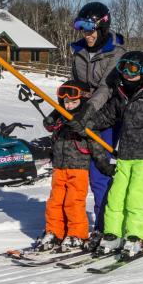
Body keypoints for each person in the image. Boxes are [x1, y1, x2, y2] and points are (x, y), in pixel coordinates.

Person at [70, 51, 143, 258]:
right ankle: (113, 234)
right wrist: (85, 124)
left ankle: (136, 235)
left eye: (133, 69)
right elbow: (107, 117)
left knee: (135, 196)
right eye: (124, 67)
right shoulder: (121, 95)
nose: (127, 73)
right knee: (116, 196)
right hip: (124, 156)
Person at [69, 2, 126, 249]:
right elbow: (76, 84)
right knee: (77, 172)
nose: (86, 34)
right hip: (84, 116)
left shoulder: (117, 53)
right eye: (81, 28)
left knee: (99, 172)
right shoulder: (79, 52)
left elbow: (107, 87)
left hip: (108, 117)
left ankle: (105, 227)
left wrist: (90, 110)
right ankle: (74, 225)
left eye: (90, 28)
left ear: (102, 27)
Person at [34, 80, 115, 252]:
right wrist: (52, 120)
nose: (69, 105)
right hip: (59, 167)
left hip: (78, 168)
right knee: (54, 202)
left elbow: (96, 144)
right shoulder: (61, 116)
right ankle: (54, 232)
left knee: (73, 202)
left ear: (83, 100)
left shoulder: (86, 121)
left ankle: (77, 234)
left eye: (73, 102)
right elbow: (51, 129)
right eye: (66, 102)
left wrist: (103, 164)